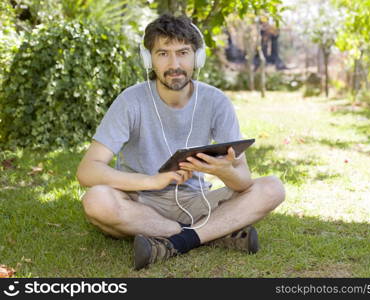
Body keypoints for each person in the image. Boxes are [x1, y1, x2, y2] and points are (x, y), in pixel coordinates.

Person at [76, 14, 285, 271]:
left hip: (197, 202)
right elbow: (88, 170)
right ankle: (213, 233)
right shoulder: (130, 101)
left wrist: (225, 171)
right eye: (163, 53)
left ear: (197, 57)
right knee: (96, 200)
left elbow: (243, 181)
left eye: (183, 52)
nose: (174, 64)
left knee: (273, 188)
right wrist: (151, 181)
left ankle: (176, 240)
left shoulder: (215, 101)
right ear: (148, 59)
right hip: (140, 201)